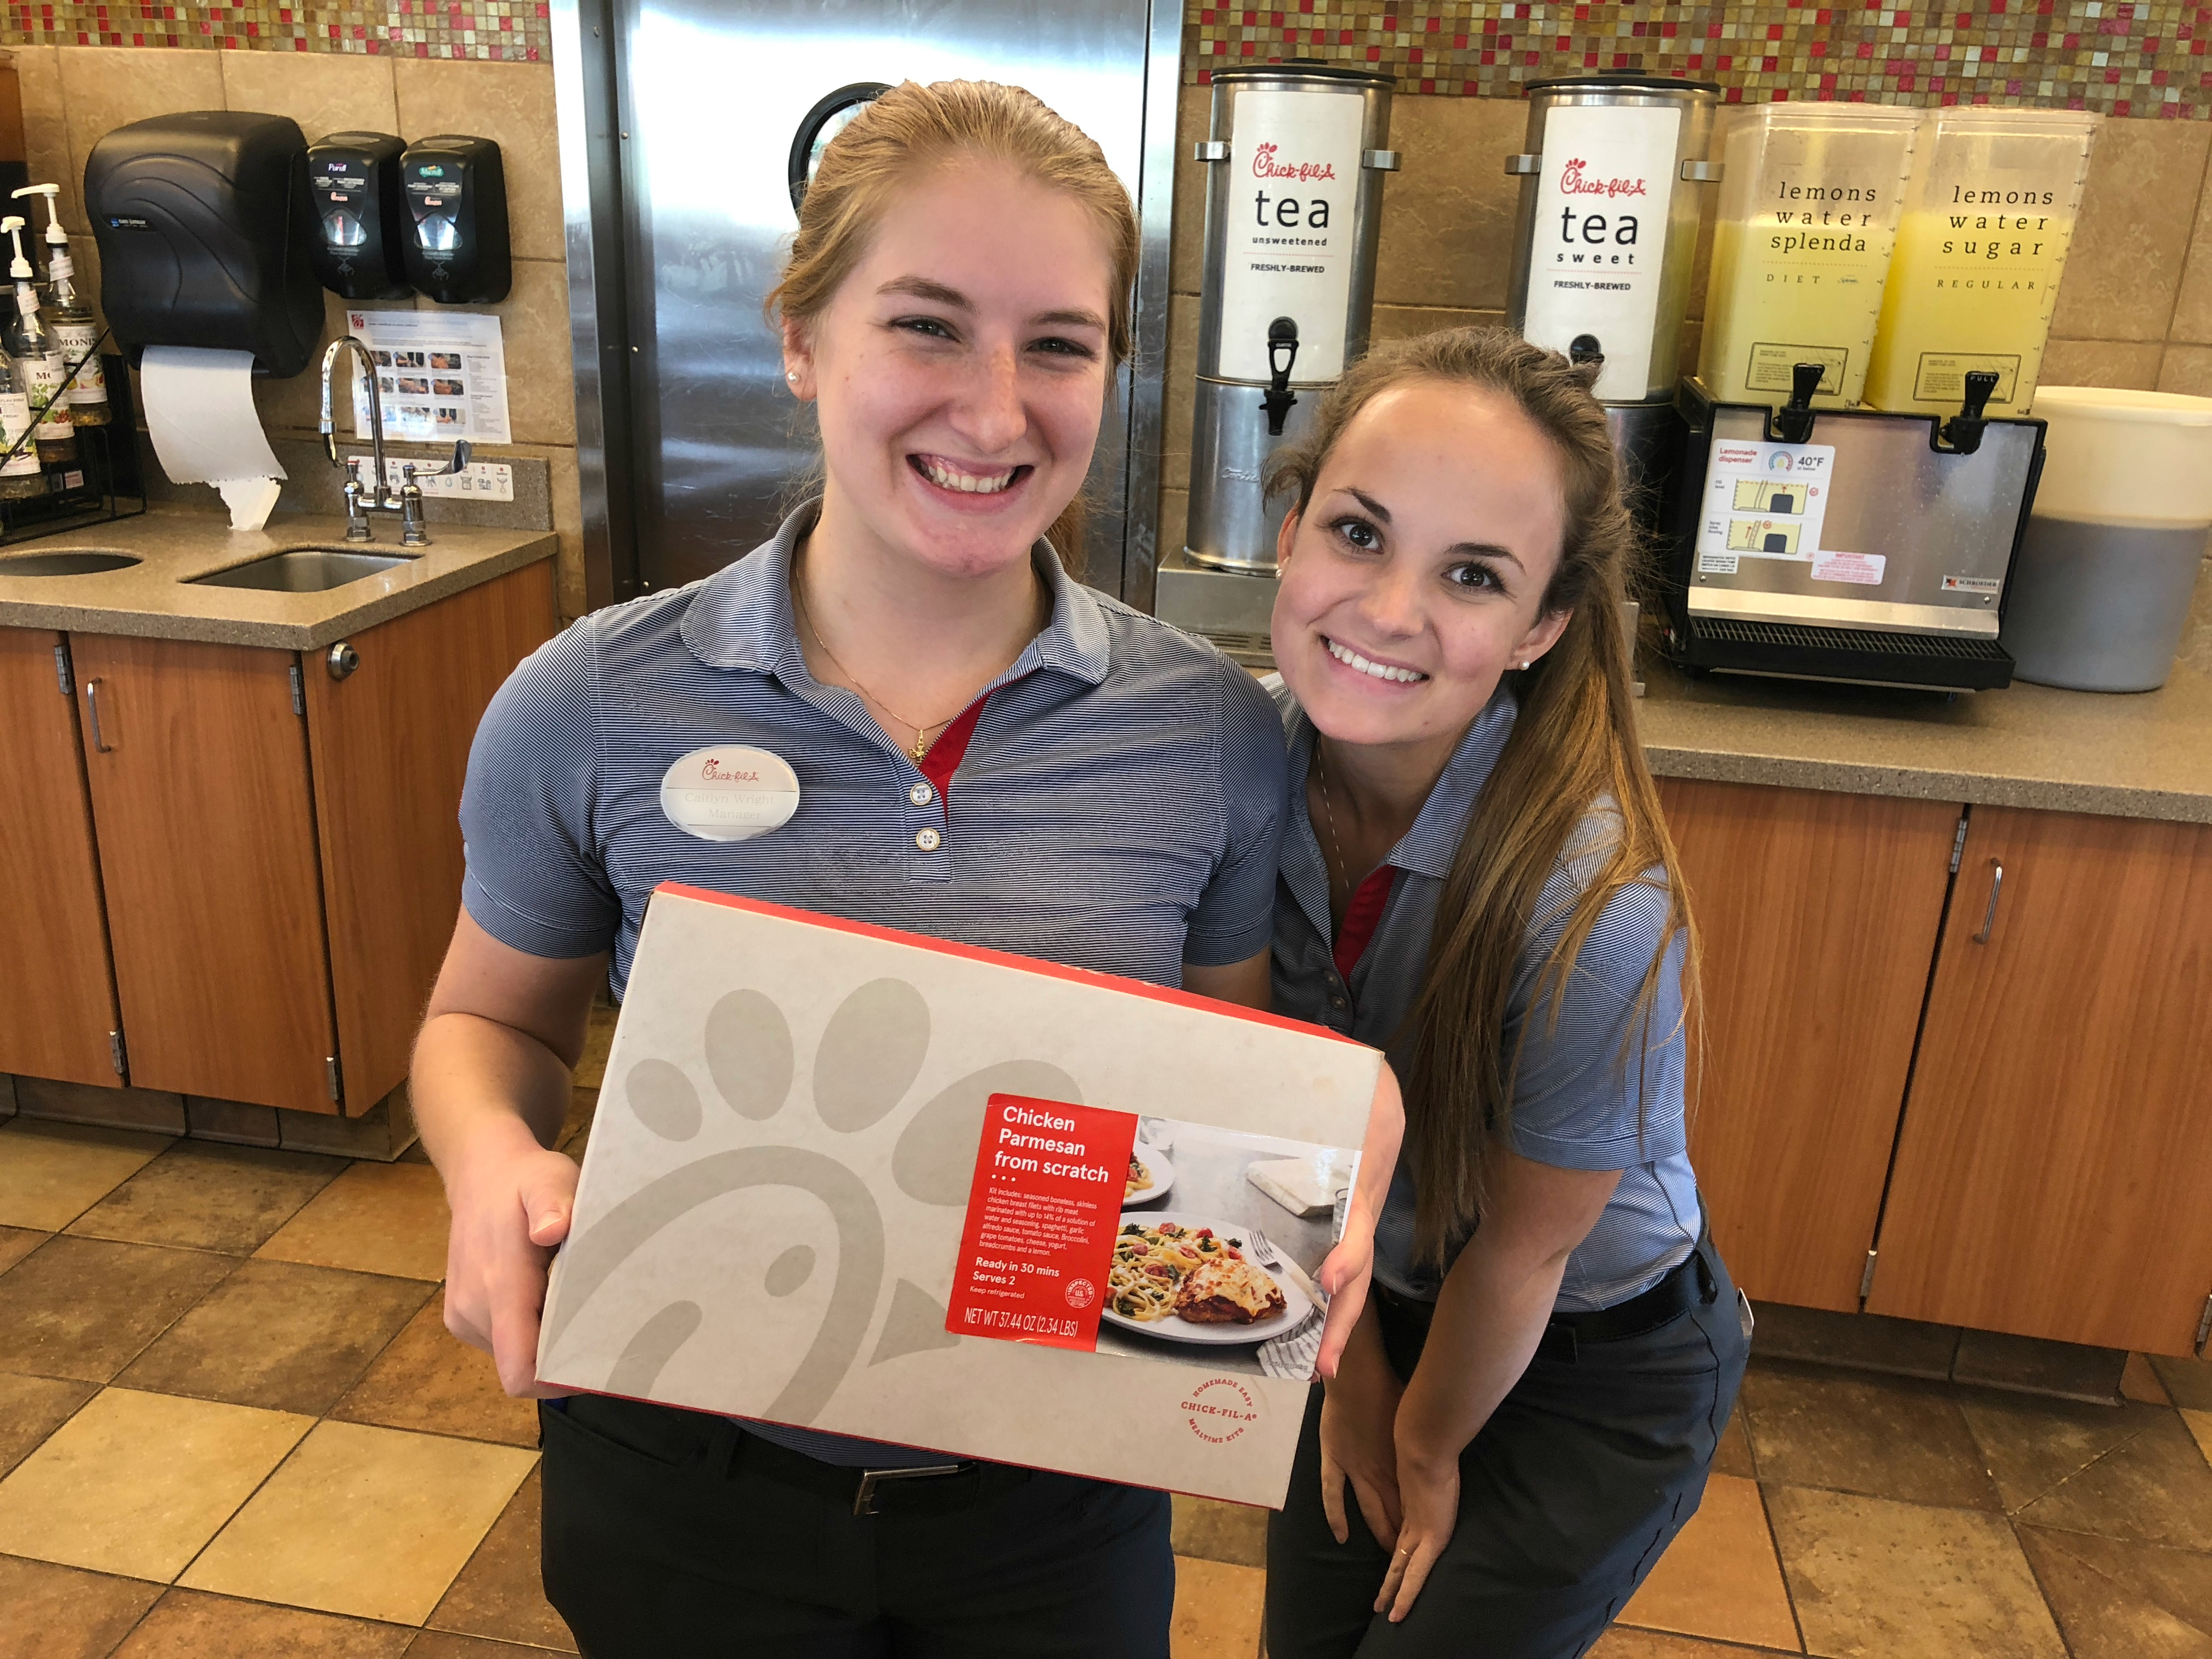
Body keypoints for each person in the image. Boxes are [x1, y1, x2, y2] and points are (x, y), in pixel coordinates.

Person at [411, 79, 1385, 1658]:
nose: (997, 413)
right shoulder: (586, 701)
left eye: (1059, 344)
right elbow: (487, 1026)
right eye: (926, 327)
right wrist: (483, 1164)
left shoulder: (1210, 735)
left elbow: (1228, 1083)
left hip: (1052, 1510)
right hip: (681, 1476)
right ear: (803, 340)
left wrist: (1321, 1162)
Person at [1259, 328, 1752, 1658]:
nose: (1390, 609)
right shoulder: (1235, 782)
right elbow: (1269, 1123)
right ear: (1291, 533)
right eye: (1359, 535)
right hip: (1367, 1300)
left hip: (1587, 1358)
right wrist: (1355, 1382)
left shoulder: (1596, 908)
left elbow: (1525, 1253)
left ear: (1540, 627)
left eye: (1472, 574)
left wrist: (1420, 1437)